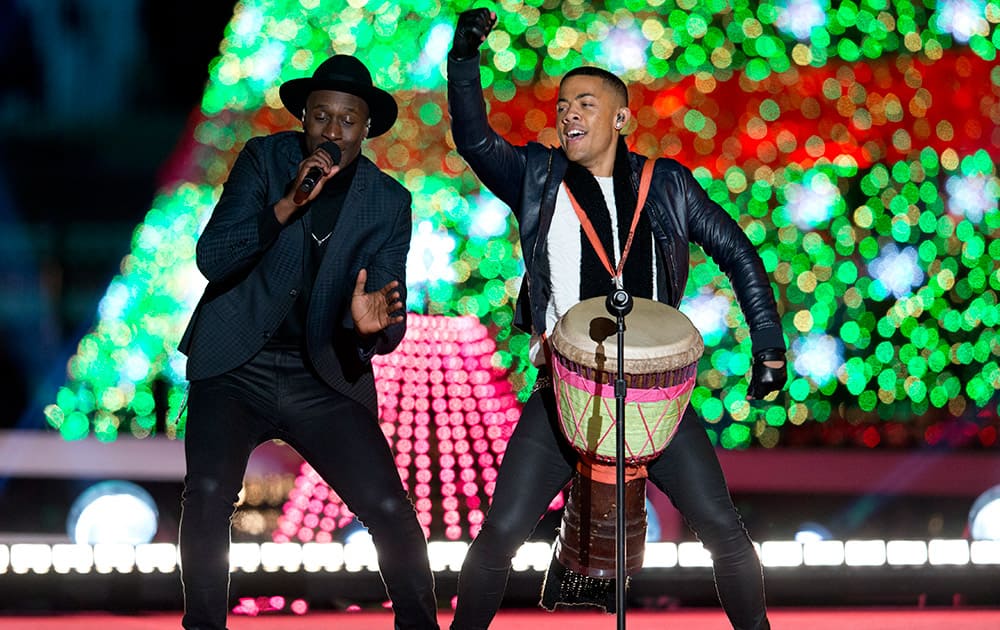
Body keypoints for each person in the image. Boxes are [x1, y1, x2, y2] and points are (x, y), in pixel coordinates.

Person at [446, 9, 787, 630]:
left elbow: (737, 251)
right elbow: (474, 140)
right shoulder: (538, 177)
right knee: (498, 536)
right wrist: (464, 62)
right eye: (562, 105)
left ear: (621, 117)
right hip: (565, 399)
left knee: (724, 533)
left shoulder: (668, 184)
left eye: (585, 102)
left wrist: (768, 342)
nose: (568, 113)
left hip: (658, 402)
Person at [177, 54, 439, 630]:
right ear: (305, 119)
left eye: (348, 120)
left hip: (321, 374)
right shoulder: (264, 161)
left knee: (389, 507)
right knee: (209, 493)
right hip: (235, 365)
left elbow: (389, 315)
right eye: (321, 116)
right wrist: (289, 203)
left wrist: (374, 327)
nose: (332, 131)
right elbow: (212, 259)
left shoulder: (388, 202)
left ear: (367, 128)